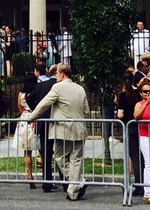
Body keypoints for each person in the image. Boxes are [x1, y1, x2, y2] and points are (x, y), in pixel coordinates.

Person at [28, 63, 91, 202]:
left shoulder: (57, 87)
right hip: (79, 129)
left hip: (63, 129)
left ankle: (76, 184)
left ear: (62, 74)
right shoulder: (80, 88)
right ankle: (73, 191)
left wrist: (32, 116)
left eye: (57, 73)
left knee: (60, 157)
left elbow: (44, 103)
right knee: (76, 160)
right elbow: (86, 110)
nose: (55, 75)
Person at [26, 63, 60, 191]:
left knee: (46, 153)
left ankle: (47, 182)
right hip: (57, 121)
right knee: (60, 151)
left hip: (43, 122)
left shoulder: (40, 86)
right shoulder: (58, 86)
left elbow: (29, 99)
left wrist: (37, 111)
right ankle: (64, 180)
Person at [117, 72, 144, 196]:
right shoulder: (138, 93)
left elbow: (120, 114)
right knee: (140, 156)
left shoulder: (122, 95)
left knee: (133, 156)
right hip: (139, 126)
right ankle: (141, 182)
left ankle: (138, 186)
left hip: (128, 126)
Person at [15, 75, 39, 189]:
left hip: (24, 118)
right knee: (40, 148)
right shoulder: (36, 92)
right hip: (35, 118)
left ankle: (29, 175)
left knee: (27, 151)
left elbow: (20, 108)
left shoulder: (21, 95)